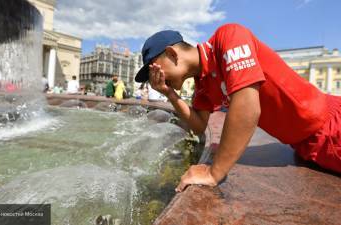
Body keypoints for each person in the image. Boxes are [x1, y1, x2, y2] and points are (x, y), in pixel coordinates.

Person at [135, 24, 341, 193]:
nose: (154, 78)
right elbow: (198, 126)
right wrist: (170, 94)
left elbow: (248, 107)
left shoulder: (229, 36)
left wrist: (214, 172)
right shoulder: (203, 84)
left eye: (153, 68)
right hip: (304, 143)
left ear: (171, 53)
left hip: (331, 127)